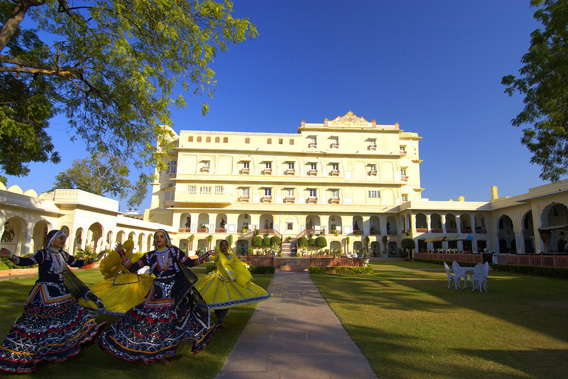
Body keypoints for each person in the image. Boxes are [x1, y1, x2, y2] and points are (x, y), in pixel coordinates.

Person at [99, 229, 216, 363]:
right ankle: (151, 350)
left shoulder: (174, 252)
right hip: (157, 292)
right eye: (156, 237)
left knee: (170, 321)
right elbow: (132, 268)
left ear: (166, 239)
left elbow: (190, 263)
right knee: (151, 320)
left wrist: (204, 256)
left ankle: (163, 352)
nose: (158, 238)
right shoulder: (150, 256)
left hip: (173, 291)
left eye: (161, 236)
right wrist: (122, 254)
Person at [0, 230, 105, 374]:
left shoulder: (63, 255)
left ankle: (56, 349)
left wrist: (95, 258)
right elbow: (25, 262)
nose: (63, 241)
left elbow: (77, 263)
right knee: (36, 324)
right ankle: (29, 354)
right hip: (44, 294)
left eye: (64, 238)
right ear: (52, 239)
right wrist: (11, 256)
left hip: (60, 293)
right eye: (60, 238)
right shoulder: (42, 254)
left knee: (67, 318)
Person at [195, 240, 271, 327]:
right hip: (219, 279)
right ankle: (217, 317)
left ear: (228, 246)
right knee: (218, 298)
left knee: (227, 299)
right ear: (220, 246)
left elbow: (236, 263)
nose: (224, 246)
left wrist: (244, 265)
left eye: (225, 244)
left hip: (230, 279)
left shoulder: (231, 255)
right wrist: (205, 254)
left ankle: (221, 321)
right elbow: (207, 259)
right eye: (222, 245)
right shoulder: (218, 255)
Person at [89, 240, 154, 314]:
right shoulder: (136, 256)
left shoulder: (121, 256)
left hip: (122, 278)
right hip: (134, 278)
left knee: (117, 295)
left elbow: (109, 265)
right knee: (132, 296)